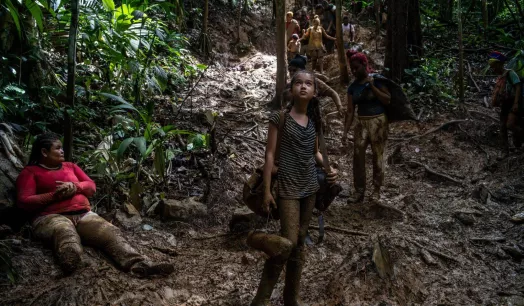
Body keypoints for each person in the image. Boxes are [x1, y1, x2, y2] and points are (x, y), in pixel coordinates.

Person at [16, 133, 175, 276]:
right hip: (49, 218)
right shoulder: (30, 172)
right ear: (44, 152)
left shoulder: (70, 166)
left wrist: (76, 187)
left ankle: (139, 265)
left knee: (110, 233)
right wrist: (54, 196)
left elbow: (91, 186)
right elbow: (24, 202)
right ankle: (70, 260)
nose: (62, 151)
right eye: (57, 148)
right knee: (64, 231)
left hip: (84, 214)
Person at [251, 70, 338, 306]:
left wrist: (330, 169)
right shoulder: (280, 118)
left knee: (299, 243)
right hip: (288, 187)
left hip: (310, 187)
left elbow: (316, 153)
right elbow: (269, 155)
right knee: (286, 244)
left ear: (314, 92)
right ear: (291, 90)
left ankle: (292, 298)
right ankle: (261, 299)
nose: (303, 87)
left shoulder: (313, 122)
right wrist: (268, 190)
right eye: (298, 83)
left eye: (308, 84)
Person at [343, 52, 391, 203]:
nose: (354, 71)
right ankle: (359, 191)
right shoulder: (352, 88)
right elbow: (350, 111)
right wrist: (345, 131)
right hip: (361, 123)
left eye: (356, 68)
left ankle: (376, 190)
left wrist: (371, 85)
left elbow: (387, 99)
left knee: (378, 156)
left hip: (378, 122)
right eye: (352, 69)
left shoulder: (377, 80)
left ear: (364, 65)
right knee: (358, 156)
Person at [489, 51, 523, 158]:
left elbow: (518, 86)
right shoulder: (500, 77)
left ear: (500, 64)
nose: (493, 69)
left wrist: (516, 103)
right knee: (502, 127)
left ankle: (521, 137)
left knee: (510, 125)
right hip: (505, 104)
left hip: (513, 102)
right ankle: (505, 151)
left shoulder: (510, 73)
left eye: (494, 66)